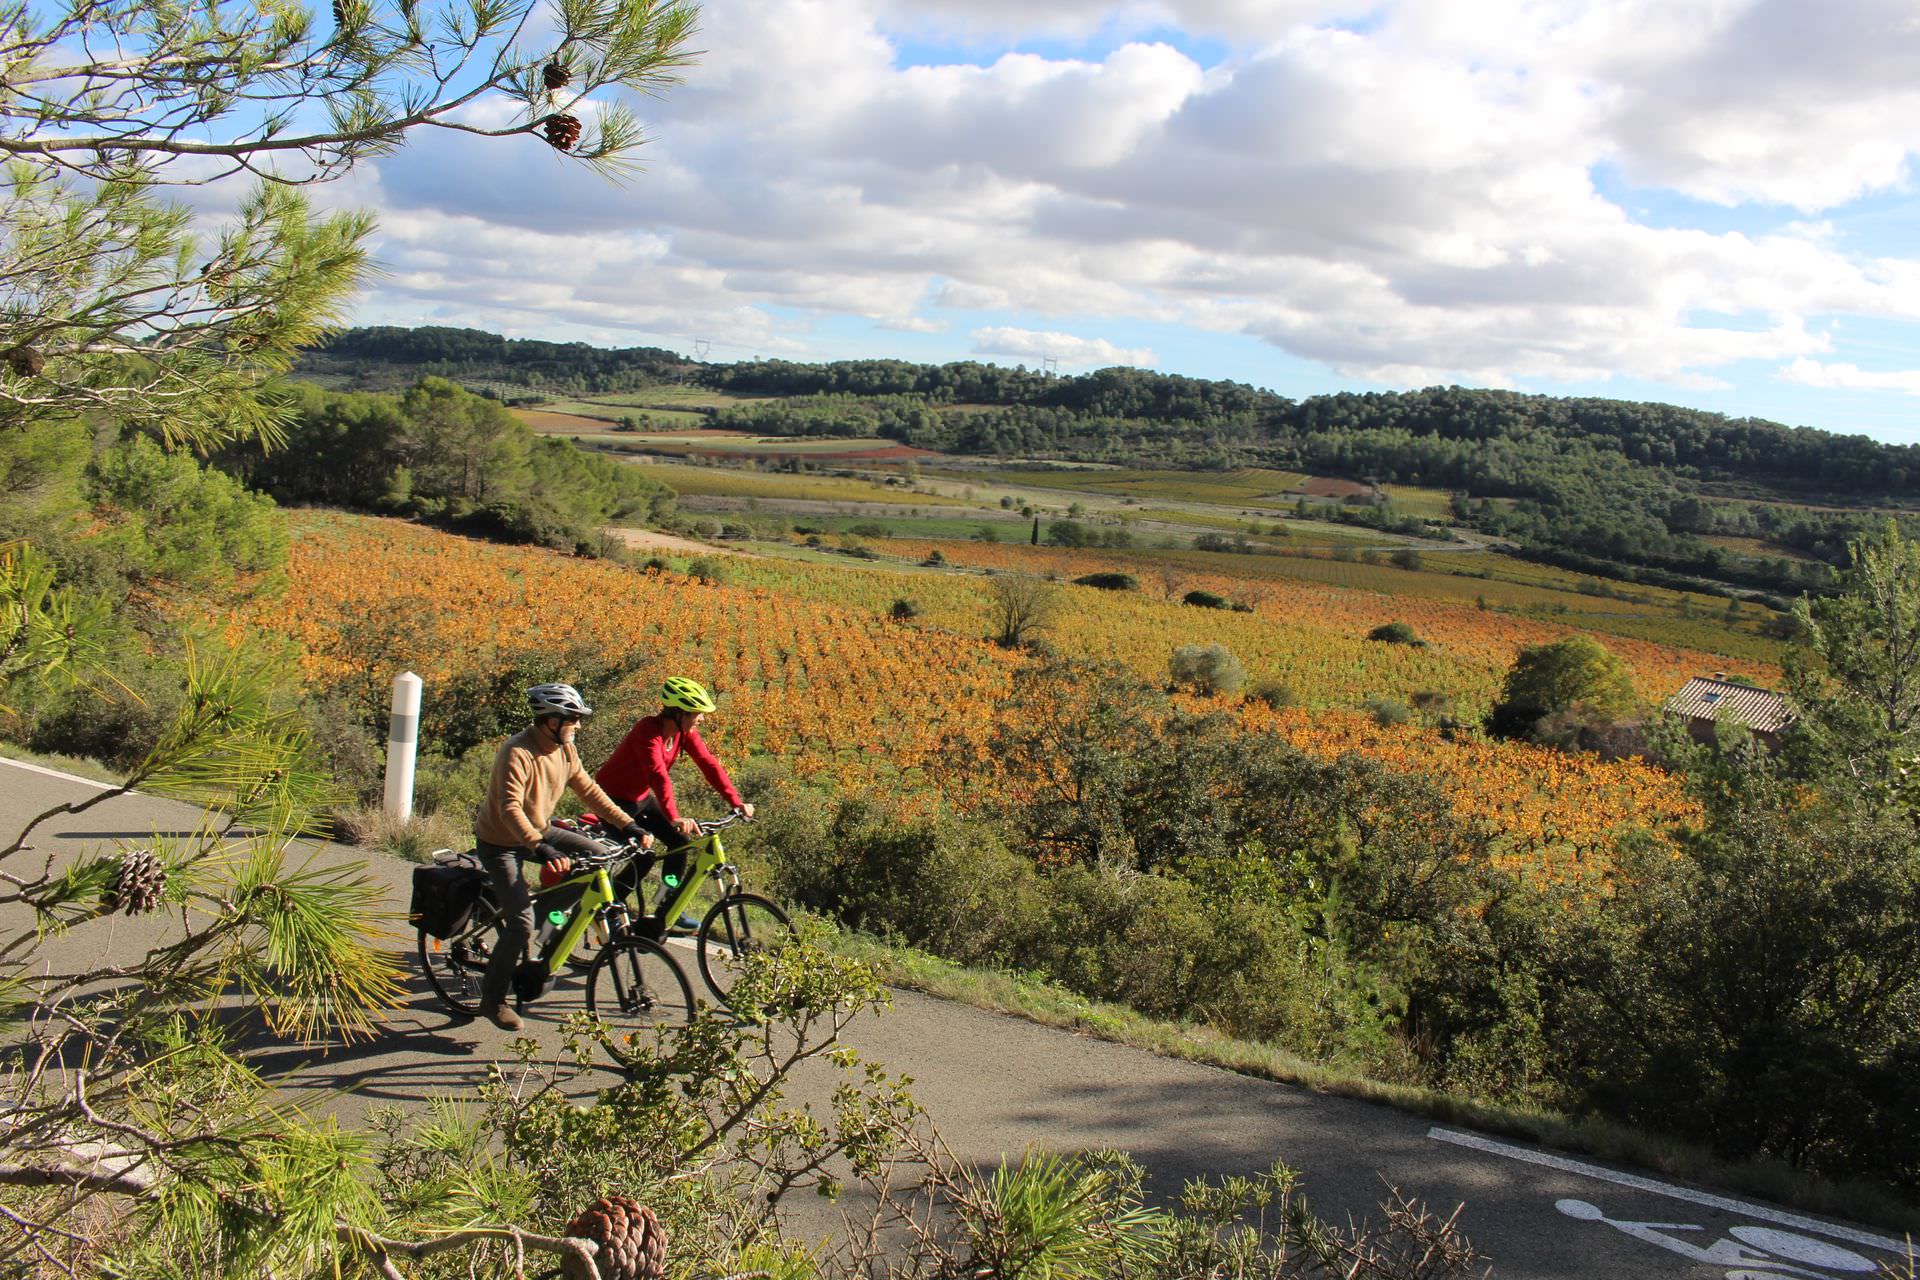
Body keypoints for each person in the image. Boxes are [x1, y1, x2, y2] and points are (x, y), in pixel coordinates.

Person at [472, 683, 646, 1031]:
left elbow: (589, 790)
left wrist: (628, 824)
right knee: (519, 924)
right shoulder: (517, 752)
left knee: (600, 857)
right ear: (551, 721)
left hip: (539, 831)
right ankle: (492, 1000)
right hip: (502, 841)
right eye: (573, 719)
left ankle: (544, 915)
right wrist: (541, 847)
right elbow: (509, 808)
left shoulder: (565, 749)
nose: (578, 726)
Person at [594, 676, 755, 935]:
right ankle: (611, 908)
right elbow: (658, 774)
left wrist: (736, 802)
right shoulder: (647, 730)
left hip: (640, 799)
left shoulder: (684, 733)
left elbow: (709, 764)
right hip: (611, 799)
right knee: (642, 856)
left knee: (679, 843)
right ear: (679, 713)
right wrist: (674, 817)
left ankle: (665, 906)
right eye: (696, 713)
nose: (701, 718)